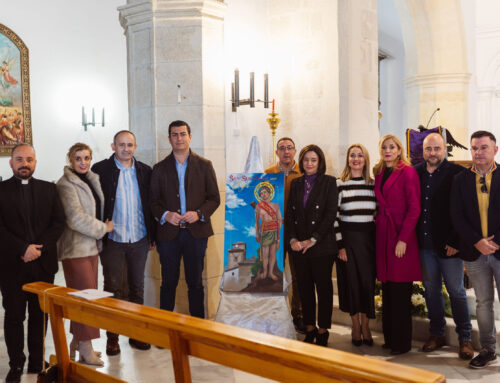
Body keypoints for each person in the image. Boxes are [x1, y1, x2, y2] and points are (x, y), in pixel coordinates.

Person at [0, 144, 65, 383]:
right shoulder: (1, 190)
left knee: (40, 316)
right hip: (11, 266)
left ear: (35, 162)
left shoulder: (49, 189)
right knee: (15, 316)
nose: (24, 163)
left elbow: (58, 223)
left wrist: (37, 249)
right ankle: (16, 364)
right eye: (19, 159)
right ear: (11, 162)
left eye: (29, 159)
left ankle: (37, 362)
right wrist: (22, 249)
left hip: (42, 264)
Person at [92, 130, 154, 356]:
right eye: (121, 145)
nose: (126, 149)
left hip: (139, 238)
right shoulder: (100, 170)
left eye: (130, 145)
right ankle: (112, 338)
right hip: (113, 241)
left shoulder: (145, 171)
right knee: (112, 290)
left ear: (135, 147)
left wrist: (152, 236)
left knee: (137, 289)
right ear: (113, 146)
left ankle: (136, 334)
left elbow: (151, 205)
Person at [150, 120, 220, 318]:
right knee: (168, 282)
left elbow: (214, 198)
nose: (179, 138)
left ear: (190, 136)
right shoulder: (159, 168)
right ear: (170, 138)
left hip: (196, 234)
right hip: (168, 235)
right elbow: (152, 201)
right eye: (174, 134)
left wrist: (199, 213)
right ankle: (165, 327)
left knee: (195, 282)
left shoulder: (205, 166)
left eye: (182, 134)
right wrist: (165, 214)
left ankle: (197, 328)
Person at [414, 133, 473, 359]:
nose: (433, 153)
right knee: (431, 291)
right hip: (424, 244)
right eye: (429, 149)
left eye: (437, 149)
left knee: (457, 292)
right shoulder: (416, 172)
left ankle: (465, 338)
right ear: (424, 151)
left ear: (445, 149)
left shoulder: (457, 173)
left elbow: (463, 211)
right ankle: (436, 334)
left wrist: (456, 241)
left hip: (449, 246)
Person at [57, 143, 112, 366]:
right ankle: (86, 348)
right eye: (78, 158)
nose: (83, 162)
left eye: (86, 157)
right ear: (70, 159)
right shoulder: (65, 184)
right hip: (75, 249)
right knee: (85, 300)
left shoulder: (92, 178)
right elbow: (75, 218)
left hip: (91, 247)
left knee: (86, 297)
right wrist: (104, 229)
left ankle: (78, 343)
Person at [451, 130, 500, 369]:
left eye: (483, 147)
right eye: (474, 148)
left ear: (495, 150)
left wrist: (495, 242)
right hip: (474, 252)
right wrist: (476, 241)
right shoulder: (461, 179)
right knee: (483, 302)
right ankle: (488, 349)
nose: (478, 152)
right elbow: (456, 216)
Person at [373, 134, 421, 355]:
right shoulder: (380, 172)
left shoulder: (408, 172)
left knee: (400, 291)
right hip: (383, 234)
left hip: (401, 236)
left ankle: (402, 343)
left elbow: (414, 208)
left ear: (400, 150)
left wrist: (403, 239)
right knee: (388, 290)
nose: (388, 150)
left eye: (392, 147)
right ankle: (390, 338)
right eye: (384, 147)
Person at [286, 144, 338, 346]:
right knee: (304, 289)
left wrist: (313, 239)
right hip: (299, 247)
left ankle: (323, 330)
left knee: (323, 289)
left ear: (320, 162)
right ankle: (309, 328)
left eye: (313, 160)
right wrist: (293, 240)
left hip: (321, 246)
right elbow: (290, 214)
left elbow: (330, 214)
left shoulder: (329, 182)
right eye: (306, 159)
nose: (309, 163)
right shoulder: (297, 183)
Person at [334, 144, 376, 346]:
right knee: (351, 285)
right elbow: (333, 218)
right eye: (352, 155)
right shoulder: (340, 184)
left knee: (367, 285)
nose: (356, 159)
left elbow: (377, 215)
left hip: (368, 242)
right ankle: (355, 326)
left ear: (365, 159)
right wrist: (340, 245)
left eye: (360, 155)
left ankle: (366, 325)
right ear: (348, 159)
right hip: (347, 242)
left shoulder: (373, 185)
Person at [265, 137, 304, 332]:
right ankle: (275, 313)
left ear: (295, 151)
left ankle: (298, 314)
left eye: (289, 148)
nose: (286, 151)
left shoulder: (303, 172)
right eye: (282, 148)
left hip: (297, 232)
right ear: (276, 152)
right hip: (274, 232)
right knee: (273, 272)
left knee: (299, 275)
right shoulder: (268, 174)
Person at [254, 185, 282, 280]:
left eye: (265, 192)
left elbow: (279, 220)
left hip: (274, 231)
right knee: (265, 254)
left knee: (273, 253)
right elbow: (256, 222)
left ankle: (270, 273)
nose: (263, 194)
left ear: (270, 193)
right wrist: (257, 234)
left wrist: (278, 233)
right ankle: (265, 273)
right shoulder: (258, 207)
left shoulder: (276, 205)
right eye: (261, 193)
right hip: (265, 232)